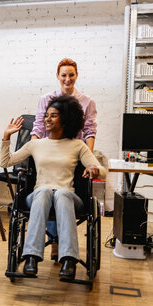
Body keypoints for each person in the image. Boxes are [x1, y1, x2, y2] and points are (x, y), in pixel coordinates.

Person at [0, 95, 106, 279]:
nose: (47, 119)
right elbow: (6, 162)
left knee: (62, 193)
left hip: (68, 197)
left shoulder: (78, 145)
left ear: (65, 119)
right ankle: (31, 256)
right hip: (39, 196)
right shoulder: (35, 144)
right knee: (44, 191)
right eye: (47, 115)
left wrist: (94, 169)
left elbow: (102, 171)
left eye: (53, 116)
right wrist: (6, 136)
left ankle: (69, 259)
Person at [31, 58, 98, 259]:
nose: (67, 79)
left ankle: (61, 244)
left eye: (71, 75)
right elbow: (38, 128)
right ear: (57, 76)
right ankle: (55, 242)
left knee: (63, 193)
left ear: (76, 75)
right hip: (49, 153)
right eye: (63, 75)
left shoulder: (87, 101)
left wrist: (89, 159)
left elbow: (90, 131)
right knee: (49, 188)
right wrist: (34, 149)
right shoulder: (47, 99)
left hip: (74, 155)